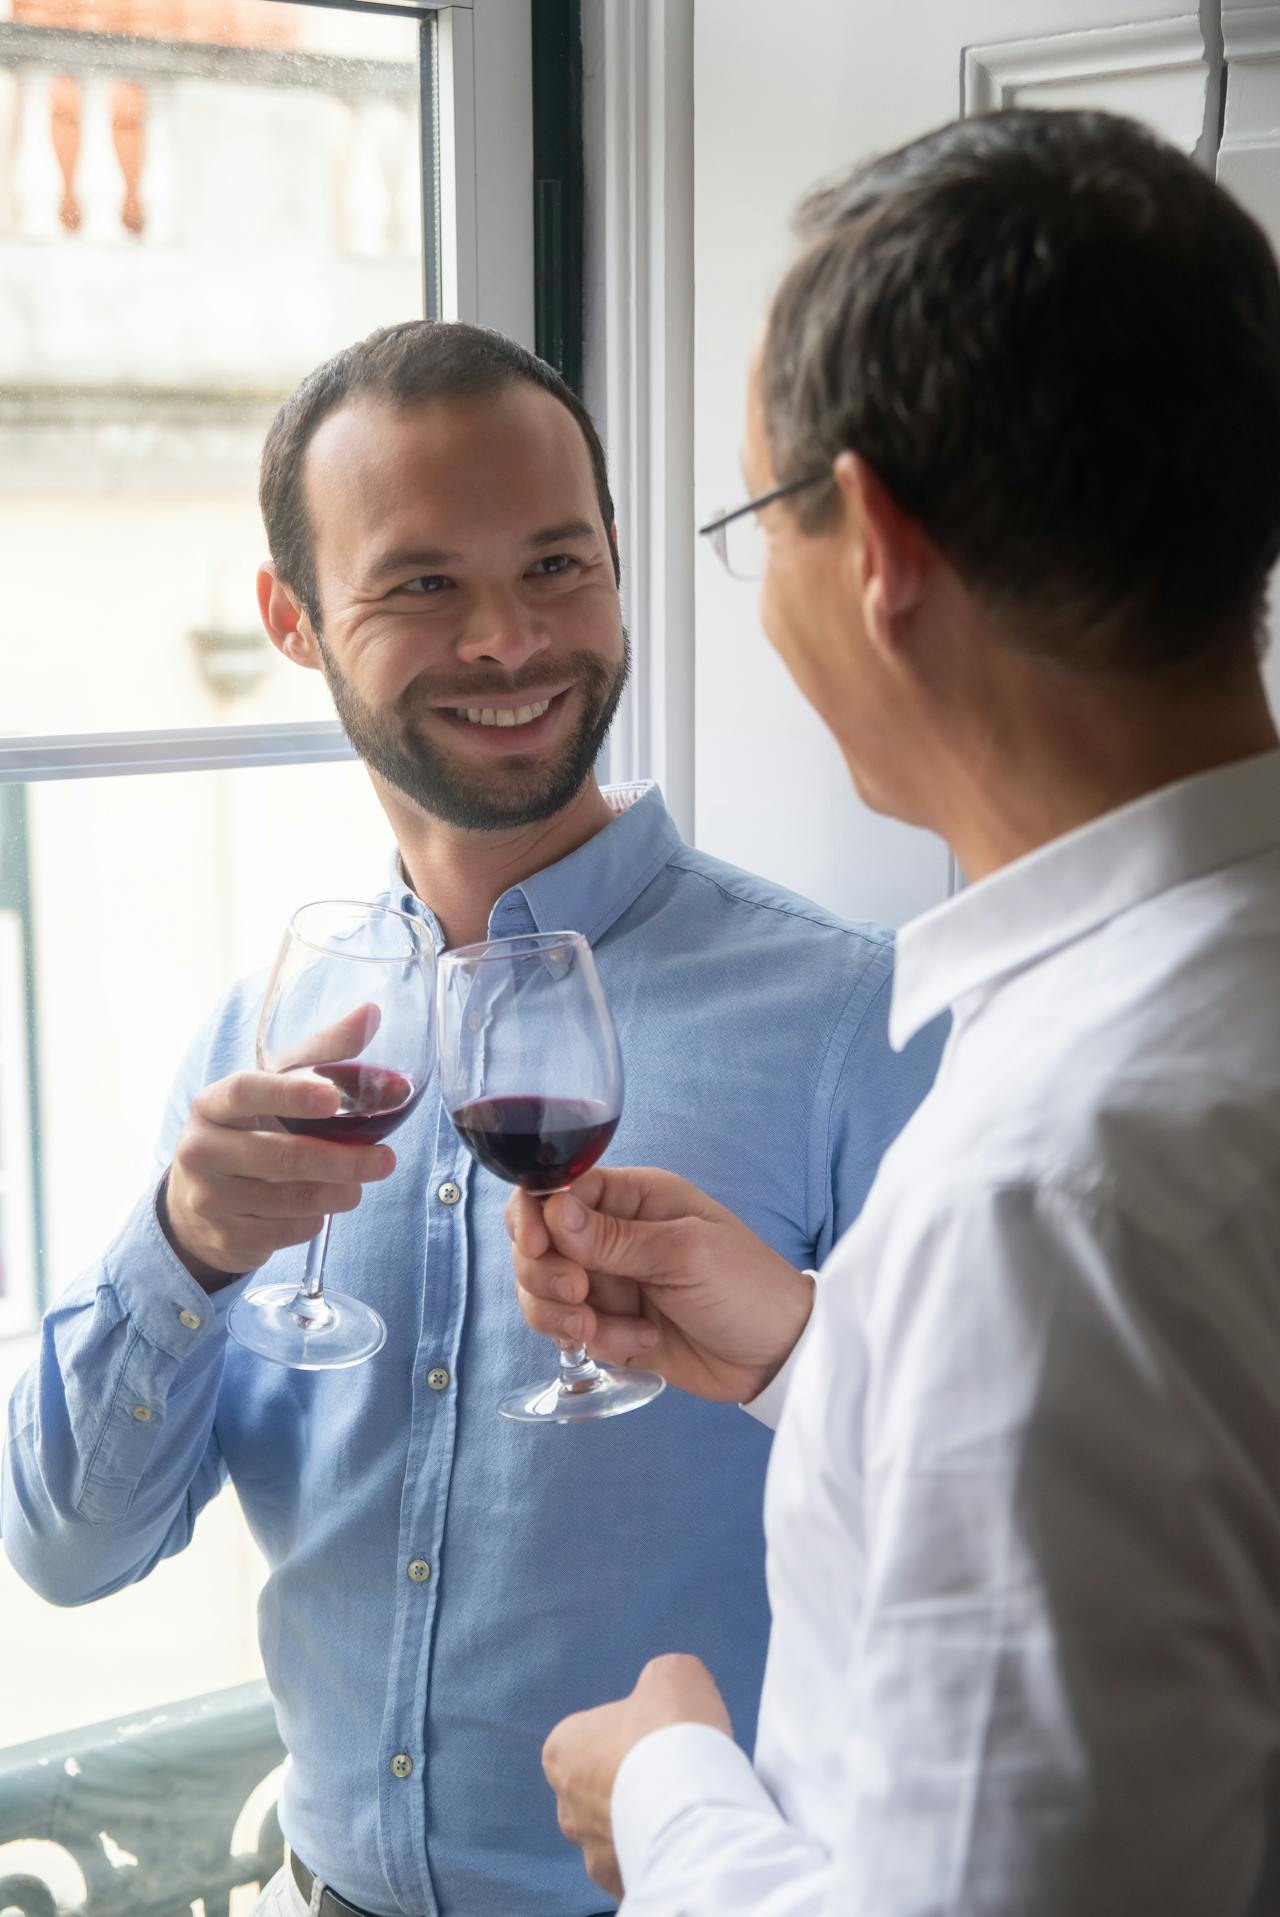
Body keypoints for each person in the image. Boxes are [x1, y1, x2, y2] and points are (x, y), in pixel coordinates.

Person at [0, 320, 943, 1917]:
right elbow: (69, 1547)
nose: (511, 640)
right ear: (292, 621)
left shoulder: (857, 1021)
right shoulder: (257, 1039)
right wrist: (185, 1244)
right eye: (423, 583)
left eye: (558, 564)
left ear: (622, 567)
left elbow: (1006, 1541)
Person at [510, 109, 1280, 1914]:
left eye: (746, 517)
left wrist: (671, 1790)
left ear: (870, 538)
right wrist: (815, 1352)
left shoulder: (1047, 1189)